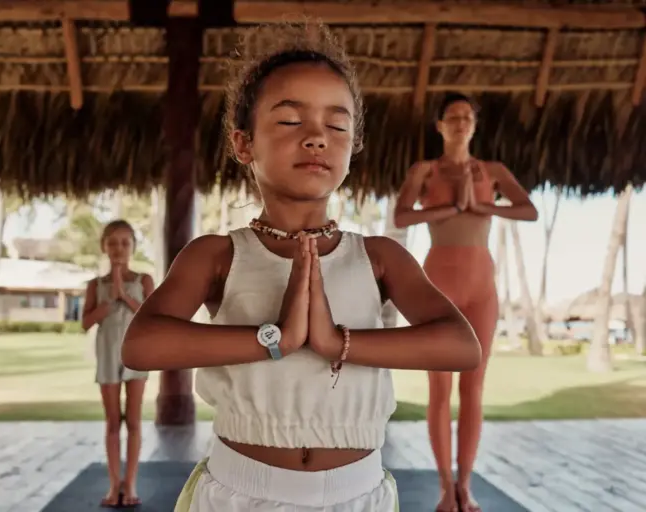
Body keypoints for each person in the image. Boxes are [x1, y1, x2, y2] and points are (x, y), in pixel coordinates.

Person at [123, 22, 482, 511]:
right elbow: (141, 345)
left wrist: (338, 343)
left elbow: (462, 345)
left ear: (353, 147)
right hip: (238, 496)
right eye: (291, 121)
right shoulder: (218, 255)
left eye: (337, 125)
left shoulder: (379, 257)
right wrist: (274, 340)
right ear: (244, 144)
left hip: (357, 498)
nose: (316, 137)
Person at [394, 92, 538, 512]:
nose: (461, 122)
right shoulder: (424, 171)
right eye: (453, 117)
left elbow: (528, 210)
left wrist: (481, 205)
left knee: (474, 387)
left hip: (481, 287)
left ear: (474, 126)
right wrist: (449, 209)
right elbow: (401, 216)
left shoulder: (492, 171)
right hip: (437, 283)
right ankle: (445, 487)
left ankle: (466, 486)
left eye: (467, 117)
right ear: (439, 125)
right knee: (439, 389)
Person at [81, 219, 154, 508]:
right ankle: (114, 485)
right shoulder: (95, 285)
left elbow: (152, 317)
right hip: (108, 357)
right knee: (113, 422)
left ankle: (130, 483)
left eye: (125, 243)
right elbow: (85, 323)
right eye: (112, 243)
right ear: (104, 246)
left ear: (133, 246)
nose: (118, 248)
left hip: (136, 355)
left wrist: (124, 295)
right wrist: (110, 300)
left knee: (133, 421)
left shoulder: (143, 280)